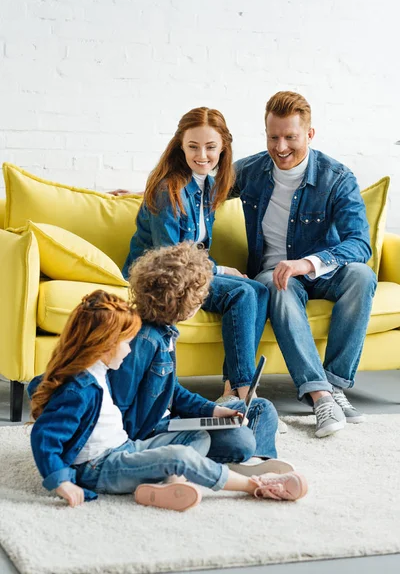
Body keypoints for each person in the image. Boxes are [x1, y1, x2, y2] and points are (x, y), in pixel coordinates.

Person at [28, 289, 308, 512]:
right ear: (104, 345)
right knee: (179, 456)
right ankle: (255, 485)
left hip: (124, 447)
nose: (129, 348)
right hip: (98, 468)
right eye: (125, 342)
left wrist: (212, 409)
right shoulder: (79, 388)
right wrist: (62, 482)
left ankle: (170, 483)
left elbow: (170, 390)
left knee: (197, 438)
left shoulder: (98, 371)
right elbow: (44, 436)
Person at [231, 91, 377, 438]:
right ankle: (320, 395)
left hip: (323, 270)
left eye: (290, 137)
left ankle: (336, 384)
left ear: (309, 135)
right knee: (277, 284)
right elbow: (197, 188)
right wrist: (142, 196)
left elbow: (360, 243)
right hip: (274, 273)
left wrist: (308, 263)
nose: (280, 147)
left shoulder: (336, 177)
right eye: (273, 137)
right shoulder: (250, 172)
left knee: (362, 275)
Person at [122, 107, 269, 402]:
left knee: (260, 290)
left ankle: (231, 391)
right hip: (163, 276)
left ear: (223, 147)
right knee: (241, 293)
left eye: (211, 147)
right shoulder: (168, 188)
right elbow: (171, 257)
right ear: (181, 146)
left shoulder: (210, 186)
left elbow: (195, 248)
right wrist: (220, 270)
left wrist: (215, 268)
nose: (202, 154)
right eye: (193, 146)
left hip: (189, 271)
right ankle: (244, 394)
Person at [113, 241, 294, 477]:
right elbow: (121, 408)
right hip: (156, 431)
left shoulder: (166, 332)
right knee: (240, 439)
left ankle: (254, 461)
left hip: (173, 420)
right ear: (187, 302)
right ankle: (236, 455)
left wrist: (212, 412)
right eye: (200, 296)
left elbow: (170, 392)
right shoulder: (143, 341)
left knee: (261, 409)